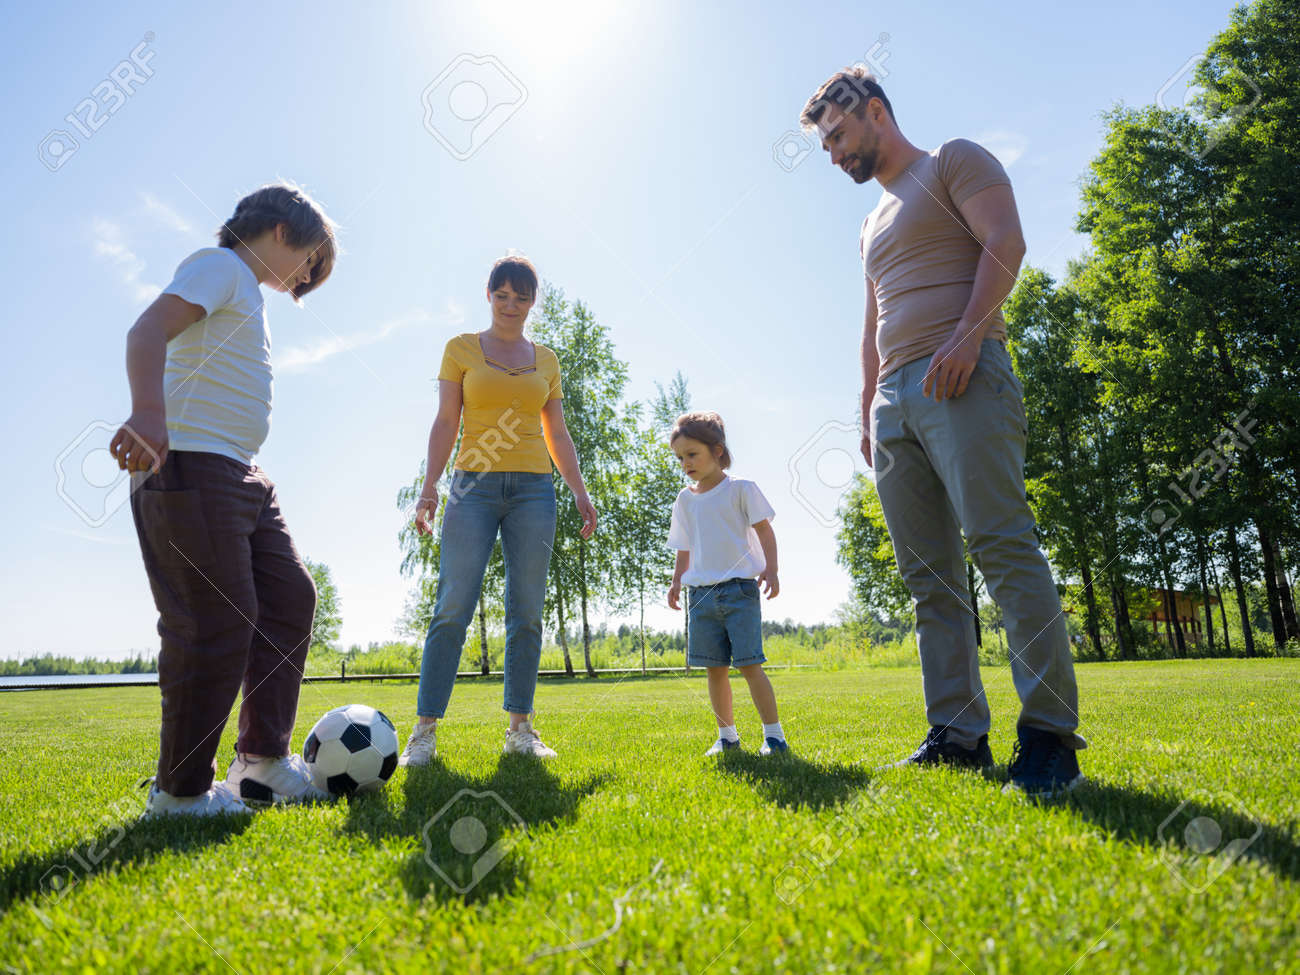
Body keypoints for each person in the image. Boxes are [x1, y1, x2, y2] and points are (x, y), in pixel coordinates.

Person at [800, 67, 1086, 797]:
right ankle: (957, 736)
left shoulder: (953, 160)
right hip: (894, 401)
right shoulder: (869, 223)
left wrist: (967, 335)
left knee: (1002, 546)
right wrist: (869, 403)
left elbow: (1006, 241)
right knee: (929, 578)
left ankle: (1050, 737)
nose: (833, 153)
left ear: (875, 112)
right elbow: (872, 322)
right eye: (824, 144)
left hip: (965, 372)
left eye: (838, 135)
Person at [110, 182, 338, 816]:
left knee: (290, 599)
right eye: (310, 260)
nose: (306, 277)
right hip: (190, 464)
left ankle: (261, 762)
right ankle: (180, 794)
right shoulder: (222, 267)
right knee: (213, 622)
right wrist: (148, 413)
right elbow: (146, 330)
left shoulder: (246, 292)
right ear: (283, 231)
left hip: (242, 473)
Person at [399, 255, 597, 766]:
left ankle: (520, 730)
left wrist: (579, 490)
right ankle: (424, 733)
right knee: (452, 606)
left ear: (532, 302)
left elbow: (557, 432)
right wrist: (429, 486)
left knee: (526, 612)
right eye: (503, 295)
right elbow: (446, 421)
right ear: (489, 295)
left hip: (534, 491)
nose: (511, 305)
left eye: (521, 297)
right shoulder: (461, 349)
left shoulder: (547, 360)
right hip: (473, 488)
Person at [666, 412, 788, 757]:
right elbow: (684, 547)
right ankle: (727, 737)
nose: (686, 463)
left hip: (739, 592)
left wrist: (772, 569)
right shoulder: (685, 500)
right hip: (700, 597)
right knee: (714, 669)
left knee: (749, 664)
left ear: (717, 450)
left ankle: (774, 737)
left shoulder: (741, 489)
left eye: (692, 454)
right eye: (680, 458)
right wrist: (676, 582)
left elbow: (764, 531)